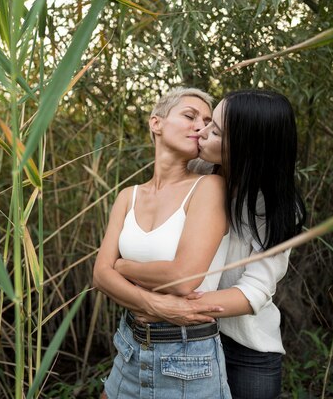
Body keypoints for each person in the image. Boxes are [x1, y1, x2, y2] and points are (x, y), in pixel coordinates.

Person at [114, 89, 306, 399]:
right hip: (185, 340)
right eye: (206, 122)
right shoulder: (200, 173)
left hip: (246, 348)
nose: (201, 132)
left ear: (245, 146)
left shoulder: (274, 206)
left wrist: (169, 303)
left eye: (214, 130)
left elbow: (253, 291)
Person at [93, 87, 232, 398]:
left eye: (208, 121)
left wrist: (121, 266)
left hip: (187, 358)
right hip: (129, 344)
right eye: (189, 115)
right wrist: (155, 303)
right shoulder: (127, 197)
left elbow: (184, 279)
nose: (201, 126)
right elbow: (99, 276)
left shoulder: (209, 187)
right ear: (156, 123)